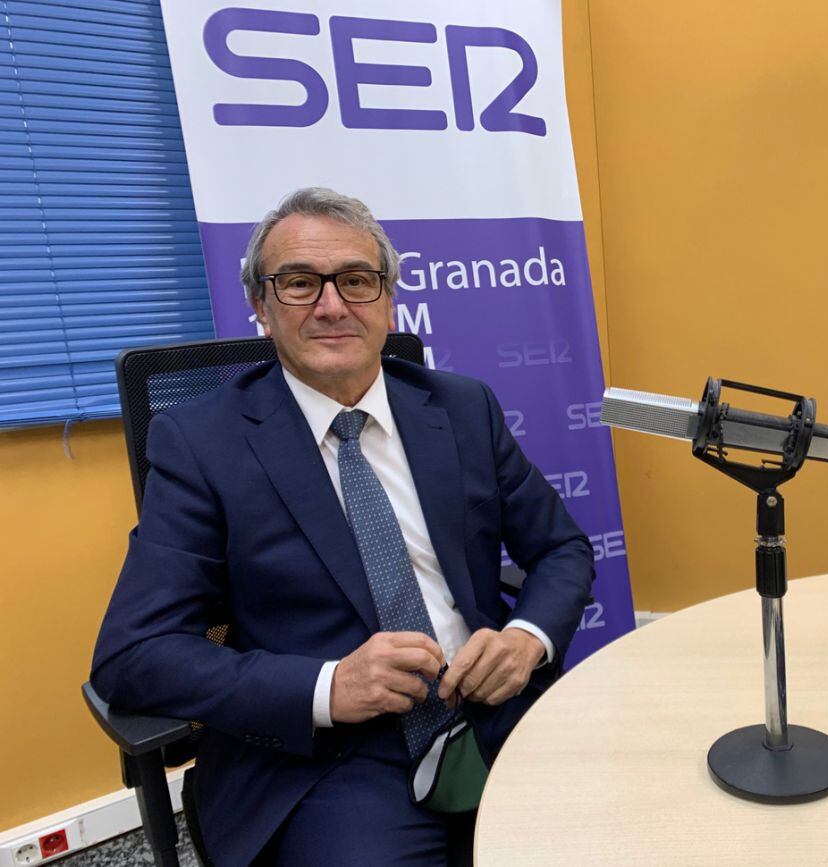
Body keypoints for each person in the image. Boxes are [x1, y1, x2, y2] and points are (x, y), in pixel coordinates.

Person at [91, 187, 594, 866]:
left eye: (356, 280)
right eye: (299, 283)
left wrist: (525, 638)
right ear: (261, 309)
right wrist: (329, 686)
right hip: (334, 760)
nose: (332, 305)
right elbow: (134, 654)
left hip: (490, 705)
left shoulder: (462, 407)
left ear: (388, 299)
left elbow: (561, 548)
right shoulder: (201, 442)